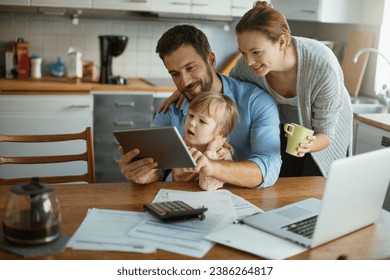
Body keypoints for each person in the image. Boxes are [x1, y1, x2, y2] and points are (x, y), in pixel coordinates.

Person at [118, 24, 281, 188]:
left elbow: (269, 168)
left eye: (190, 68)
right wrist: (143, 173)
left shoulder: (256, 102)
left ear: (211, 59)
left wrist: (211, 167)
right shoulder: (170, 110)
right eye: (175, 74)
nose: (185, 82)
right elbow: (157, 168)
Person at [229, 1, 353, 177]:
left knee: (315, 188)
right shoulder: (246, 67)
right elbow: (227, 90)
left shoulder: (322, 67)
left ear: (281, 42)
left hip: (321, 135)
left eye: (256, 52)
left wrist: (308, 145)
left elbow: (326, 135)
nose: (248, 61)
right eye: (243, 52)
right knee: (280, 186)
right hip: (284, 131)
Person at [173, 92, 238, 191]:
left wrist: (210, 151)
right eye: (191, 115)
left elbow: (207, 186)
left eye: (202, 121)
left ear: (220, 132)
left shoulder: (222, 155)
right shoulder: (180, 143)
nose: (192, 123)